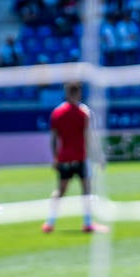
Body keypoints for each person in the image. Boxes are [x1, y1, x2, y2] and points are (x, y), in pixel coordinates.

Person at [43, 81, 107, 234]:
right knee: (86, 189)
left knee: (60, 190)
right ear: (79, 93)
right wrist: (99, 157)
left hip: (64, 157)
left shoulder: (57, 112)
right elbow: (89, 136)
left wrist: (55, 157)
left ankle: (49, 223)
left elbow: (53, 138)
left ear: (66, 93)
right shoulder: (83, 112)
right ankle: (88, 223)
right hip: (81, 157)